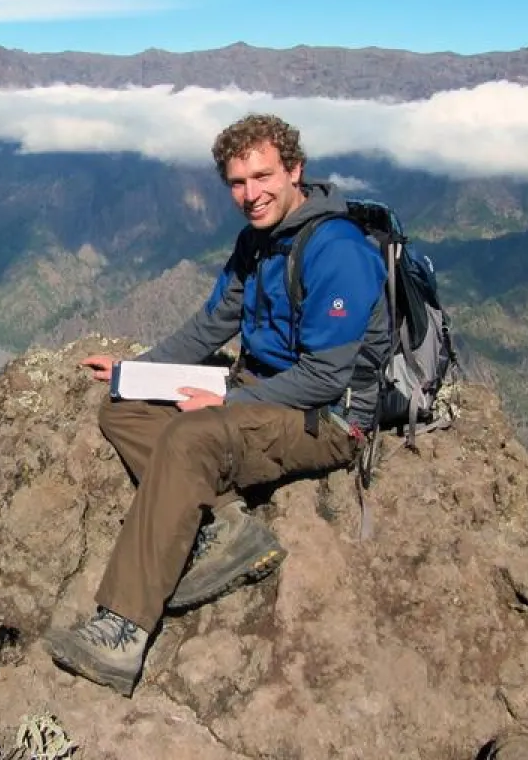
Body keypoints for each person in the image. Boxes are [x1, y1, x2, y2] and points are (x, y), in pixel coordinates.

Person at [43, 113, 390, 697]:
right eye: (237, 182)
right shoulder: (257, 243)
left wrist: (227, 397)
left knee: (189, 436)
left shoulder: (338, 251)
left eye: (263, 176)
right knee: (122, 409)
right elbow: (213, 324)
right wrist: (136, 373)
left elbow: (326, 378)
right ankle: (225, 524)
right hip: (262, 391)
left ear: (295, 171)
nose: (250, 194)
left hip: (325, 418)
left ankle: (123, 629)